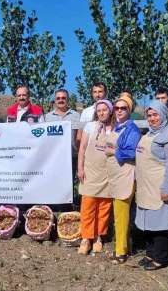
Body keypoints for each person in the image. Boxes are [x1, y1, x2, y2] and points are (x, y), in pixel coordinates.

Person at [134, 100, 168, 270]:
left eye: (155, 115)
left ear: (163, 115)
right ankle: (150, 253)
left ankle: (161, 257)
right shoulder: (148, 134)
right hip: (145, 188)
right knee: (147, 223)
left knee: (160, 225)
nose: (152, 118)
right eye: (149, 115)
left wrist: (166, 188)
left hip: (159, 188)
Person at [105, 96, 141, 264]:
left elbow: (133, 153)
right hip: (116, 176)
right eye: (117, 108)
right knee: (120, 214)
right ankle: (125, 246)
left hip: (125, 175)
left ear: (129, 111)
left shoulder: (132, 129)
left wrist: (114, 152)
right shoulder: (119, 127)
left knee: (121, 216)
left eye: (123, 108)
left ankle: (121, 252)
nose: (119, 110)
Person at [77, 99, 115, 255]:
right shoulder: (90, 126)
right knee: (88, 206)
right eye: (99, 110)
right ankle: (86, 238)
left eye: (104, 110)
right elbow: (82, 148)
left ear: (110, 111)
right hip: (90, 172)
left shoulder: (115, 128)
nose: (101, 113)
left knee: (104, 208)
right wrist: (80, 168)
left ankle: (98, 237)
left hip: (107, 174)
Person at [45, 89, 81, 154]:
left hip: (72, 156)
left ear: (67, 100)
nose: (60, 100)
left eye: (63, 98)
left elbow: (79, 138)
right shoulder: (47, 117)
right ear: (55, 100)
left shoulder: (76, 116)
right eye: (58, 98)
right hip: (53, 156)